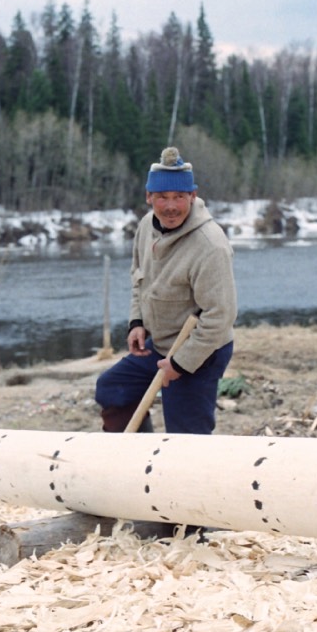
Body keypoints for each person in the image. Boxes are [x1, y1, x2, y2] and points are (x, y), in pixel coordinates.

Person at [96, 147, 236, 434]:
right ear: (149, 197)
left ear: (192, 196)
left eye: (179, 197)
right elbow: (140, 278)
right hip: (158, 344)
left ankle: (188, 477)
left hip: (200, 352)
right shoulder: (147, 226)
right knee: (112, 389)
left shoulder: (210, 246)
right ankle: (137, 459)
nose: (171, 206)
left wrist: (181, 365)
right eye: (162, 197)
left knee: (186, 436)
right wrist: (137, 322)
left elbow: (219, 317)